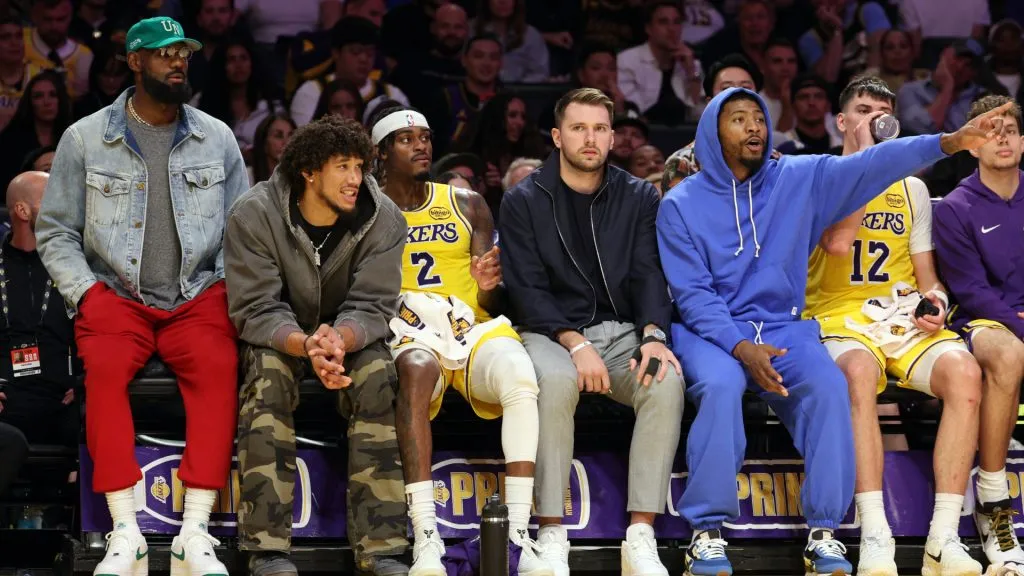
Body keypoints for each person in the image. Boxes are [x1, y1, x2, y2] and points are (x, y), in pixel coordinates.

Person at [655, 85, 1013, 575]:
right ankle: (706, 532)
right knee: (720, 386)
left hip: (782, 325)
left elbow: (873, 165)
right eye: (738, 119)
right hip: (712, 330)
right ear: (711, 134)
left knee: (828, 386)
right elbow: (693, 297)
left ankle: (824, 531)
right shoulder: (679, 204)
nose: (753, 126)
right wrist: (740, 347)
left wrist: (947, 143)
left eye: (758, 117)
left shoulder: (796, 176)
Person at [35, 16, 247, 576]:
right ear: (134, 61)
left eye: (183, 53)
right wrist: (86, 293)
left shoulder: (218, 137)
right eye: (164, 53)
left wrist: (224, 285)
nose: (178, 62)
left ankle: (193, 534)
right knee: (103, 373)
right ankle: (124, 530)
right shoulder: (84, 138)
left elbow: (242, 230)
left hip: (197, 293)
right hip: (114, 295)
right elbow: (55, 231)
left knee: (219, 368)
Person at [804, 76, 984, 576]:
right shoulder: (816, 177)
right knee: (859, 373)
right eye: (864, 111)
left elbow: (928, 277)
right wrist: (867, 165)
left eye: (883, 113)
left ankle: (943, 539)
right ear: (842, 121)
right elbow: (836, 245)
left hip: (899, 318)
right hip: (835, 316)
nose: (875, 120)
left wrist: (936, 302)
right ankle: (875, 534)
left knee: (966, 373)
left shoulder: (913, 189)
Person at [500, 88, 684, 576]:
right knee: (556, 382)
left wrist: (653, 335)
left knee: (664, 380)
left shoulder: (638, 195)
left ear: (613, 137)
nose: (590, 138)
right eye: (579, 128)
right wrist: (575, 342)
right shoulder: (523, 199)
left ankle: (640, 535)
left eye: (601, 128)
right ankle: (551, 532)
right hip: (549, 332)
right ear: (557, 136)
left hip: (621, 332)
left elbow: (649, 273)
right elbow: (527, 289)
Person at [225, 114, 410, 576]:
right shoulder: (254, 213)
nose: (355, 179)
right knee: (267, 377)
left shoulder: (384, 217)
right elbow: (255, 308)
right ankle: (266, 549)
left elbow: (374, 304)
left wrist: (337, 339)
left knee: (377, 376)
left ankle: (382, 548)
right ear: (309, 171)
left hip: (348, 337)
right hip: (280, 337)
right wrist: (306, 343)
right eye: (342, 166)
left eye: (360, 167)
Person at [370, 105, 551, 576]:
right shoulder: (367, 208)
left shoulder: (467, 203)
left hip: (469, 325)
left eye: (426, 137)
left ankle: (517, 533)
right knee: (415, 371)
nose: (421, 145)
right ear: (381, 153)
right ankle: (425, 534)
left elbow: (492, 296)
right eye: (407, 139)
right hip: (408, 327)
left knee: (519, 374)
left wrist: (488, 283)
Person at [934, 94, 1024, 576]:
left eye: (1010, 129)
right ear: (972, 145)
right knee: (1008, 354)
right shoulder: (955, 207)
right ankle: (993, 499)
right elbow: (971, 290)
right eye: (991, 130)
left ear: (1023, 140)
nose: (1002, 138)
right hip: (979, 321)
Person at [0, 172, 79, 457]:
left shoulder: (75, 265)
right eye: (52, 200)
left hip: (64, 399)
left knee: (100, 418)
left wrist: (84, 382)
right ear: (22, 211)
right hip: (7, 398)